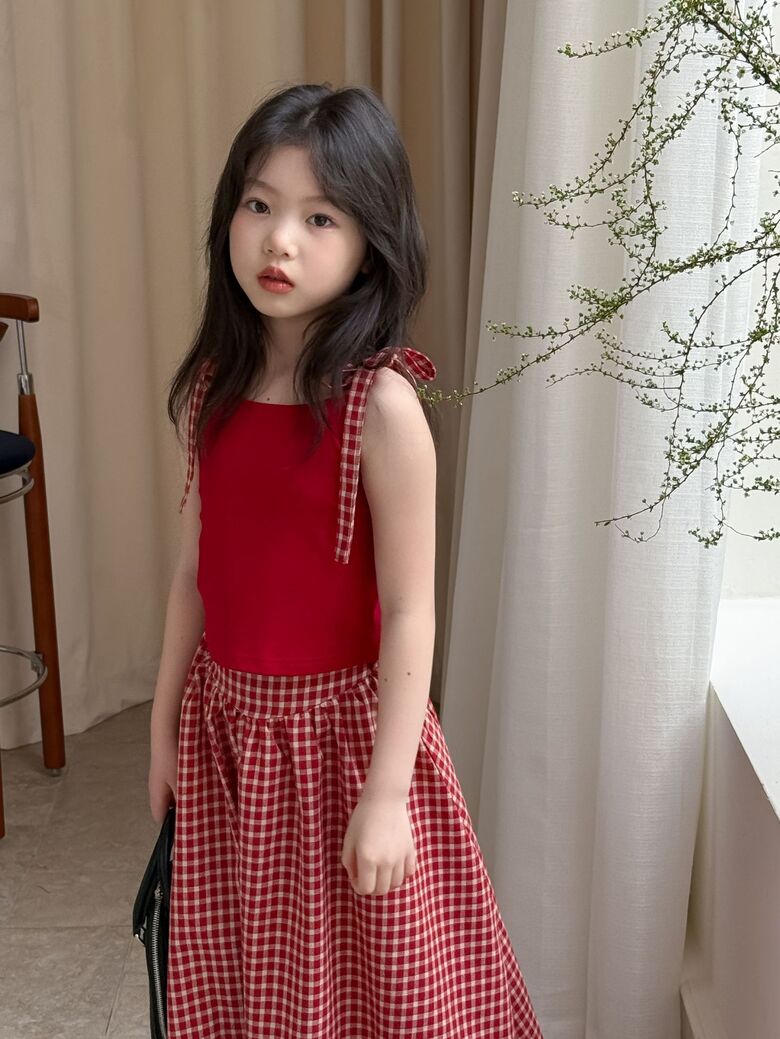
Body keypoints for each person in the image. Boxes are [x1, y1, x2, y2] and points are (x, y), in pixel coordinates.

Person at [148, 81, 543, 1039]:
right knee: (251, 973)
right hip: (231, 739)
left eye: (319, 217)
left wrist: (388, 794)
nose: (278, 241)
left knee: (375, 985)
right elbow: (195, 576)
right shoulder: (215, 388)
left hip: (345, 750)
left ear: (371, 243)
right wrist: (163, 730)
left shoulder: (383, 408)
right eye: (258, 205)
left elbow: (410, 611)